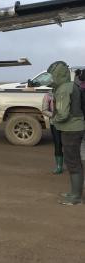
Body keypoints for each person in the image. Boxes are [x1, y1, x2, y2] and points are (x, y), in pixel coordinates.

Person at [47, 61, 85, 205]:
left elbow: (63, 114)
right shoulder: (72, 85)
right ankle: (74, 192)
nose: (51, 78)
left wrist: (53, 120)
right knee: (76, 162)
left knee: (73, 163)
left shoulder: (63, 89)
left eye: (53, 75)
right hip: (78, 126)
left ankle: (75, 197)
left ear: (58, 74)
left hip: (71, 130)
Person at [42, 91, 63, 174]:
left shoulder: (67, 92)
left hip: (68, 124)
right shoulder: (48, 95)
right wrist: (53, 115)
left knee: (70, 145)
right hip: (55, 123)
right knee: (58, 144)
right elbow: (44, 110)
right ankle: (59, 166)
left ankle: (73, 165)